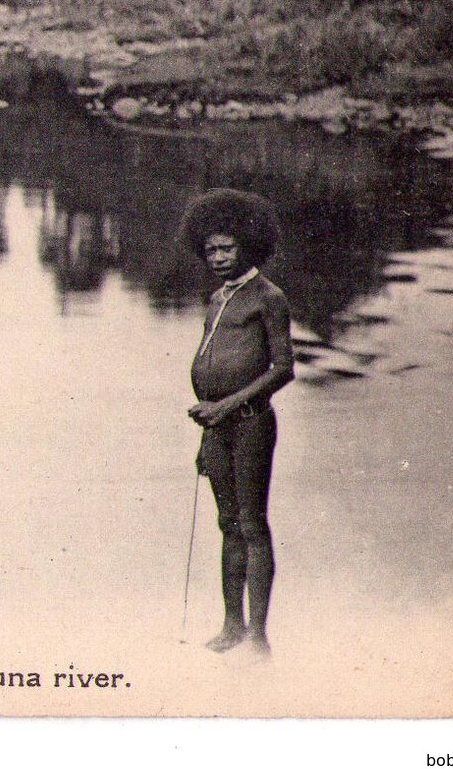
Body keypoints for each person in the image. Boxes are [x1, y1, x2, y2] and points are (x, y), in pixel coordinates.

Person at [181, 188, 294, 658]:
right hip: (217, 429)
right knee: (226, 523)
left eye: (227, 247)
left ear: (247, 245)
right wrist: (209, 426)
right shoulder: (216, 298)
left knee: (251, 524)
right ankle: (231, 626)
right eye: (210, 249)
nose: (219, 256)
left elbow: (283, 369)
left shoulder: (268, 297)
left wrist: (226, 406)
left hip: (249, 424)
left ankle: (258, 635)